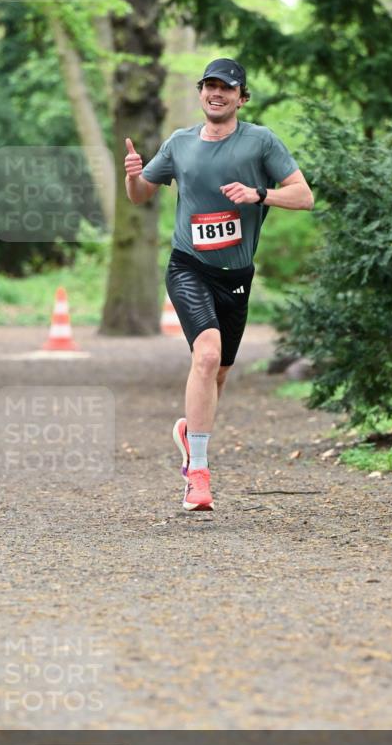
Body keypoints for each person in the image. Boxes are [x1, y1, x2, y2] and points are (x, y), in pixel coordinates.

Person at [124, 58, 314, 512]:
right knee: (206, 355)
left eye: (226, 87)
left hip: (237, 276)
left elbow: (304, 196)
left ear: (241, 98)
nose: (216, 93)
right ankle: (198, 475)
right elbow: (140, 195)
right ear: (201, 93)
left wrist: (259, 194)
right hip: (189, 266)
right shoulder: (179, 143)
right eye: (209, 85)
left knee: (220, 372)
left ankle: (190, 432)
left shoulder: (260, 142)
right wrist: (132, 175)